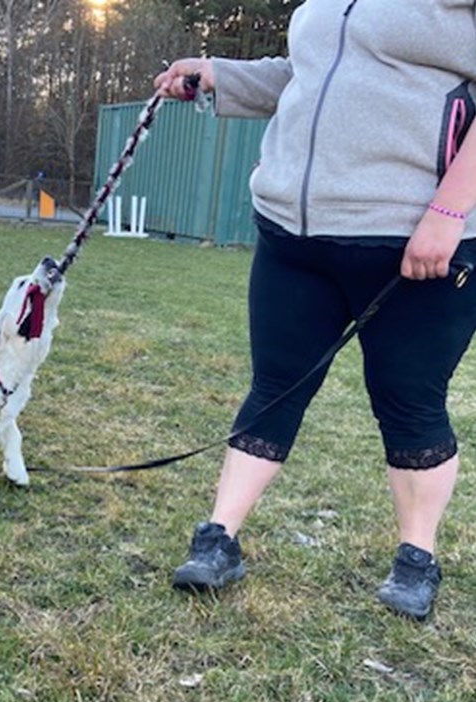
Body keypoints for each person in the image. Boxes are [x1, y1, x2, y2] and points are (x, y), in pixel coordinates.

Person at [154, 0, 476, 620]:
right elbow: (312, 70)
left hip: (414, 241)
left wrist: (449, 211)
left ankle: (417, 558)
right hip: (293, 235)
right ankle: (219, 539)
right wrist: (220, 74)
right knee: (274, 386)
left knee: (409, 401)